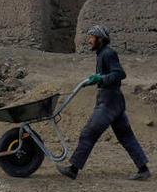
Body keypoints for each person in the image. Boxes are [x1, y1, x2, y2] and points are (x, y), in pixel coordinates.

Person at [57, 24, 150, 181]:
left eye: (92, 37)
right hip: (114, 101)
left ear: (100, 39)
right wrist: (95, 79)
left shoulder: (108, 53)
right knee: (126, 136)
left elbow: (120, 74)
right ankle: (143, 169)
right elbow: (108, 75)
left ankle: (73, 169)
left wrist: (101, 78)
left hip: (108, 102)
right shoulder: (101, 54)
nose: (89, 41)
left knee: (88, 133)